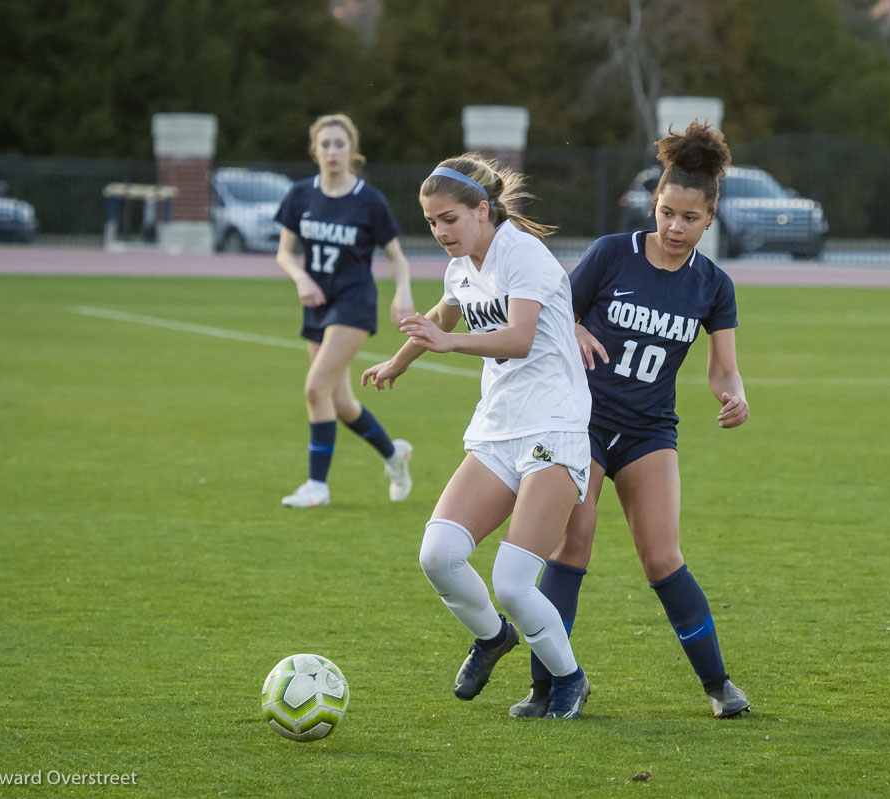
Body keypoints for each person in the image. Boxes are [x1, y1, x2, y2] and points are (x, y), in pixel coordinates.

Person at [507, 121, 751, 720]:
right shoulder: (613, 252)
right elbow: (549, 314)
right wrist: (580, 327)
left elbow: (723, 369)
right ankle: (547, 690)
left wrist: (734, 394)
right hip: (580, 423)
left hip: (648, 432)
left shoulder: (714, 286)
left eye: (689, 219)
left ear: (709, 220)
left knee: (663, 558)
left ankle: (719, 687)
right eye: (667, 212)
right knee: (574, 543)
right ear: (654, 205)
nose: (674, 227)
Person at [361, 154, 593, 719]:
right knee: (438, 554)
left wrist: (451, 345)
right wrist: (398, 362)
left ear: (483, 210)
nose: (440, 232)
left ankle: (569, 680)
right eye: (432, 222)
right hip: (497, 429)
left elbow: (517, 339)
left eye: (449, 219)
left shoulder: (524, 255)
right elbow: (442, 316)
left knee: (513, 582)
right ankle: (492, 639)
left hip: (554, 427)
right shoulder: (462, 266)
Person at [274, 114, 415, 509]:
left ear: (352, 150)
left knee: (314, 387)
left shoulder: (369, 200)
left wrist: (402, 290)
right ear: (314, 150)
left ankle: (317, 486)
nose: (333, 151)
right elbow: (284, 252)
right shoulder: (300, 195)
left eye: (340, 144)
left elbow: (397, 257)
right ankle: (394, 454)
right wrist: (301, 278)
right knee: (340, 403)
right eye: (325, 144)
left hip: (354, 304)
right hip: (318, 305)